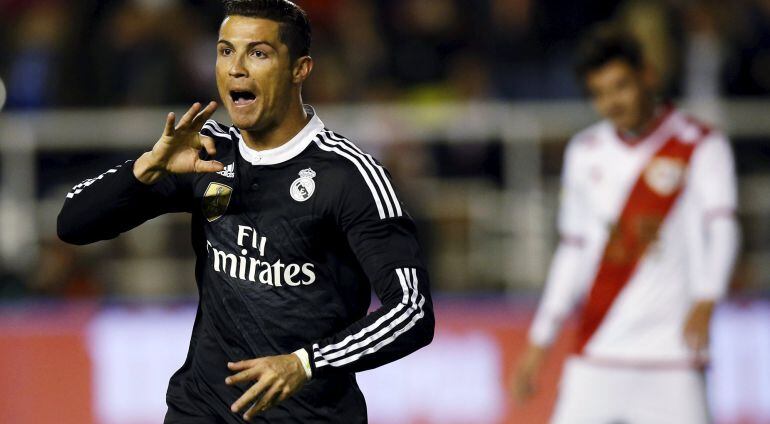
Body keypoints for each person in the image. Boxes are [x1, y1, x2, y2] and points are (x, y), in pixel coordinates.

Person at [57, 1, 434, 422]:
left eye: (258, 53)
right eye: (224, 51)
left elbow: (412, 311)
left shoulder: (349, 177)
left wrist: (305, 363)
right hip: (200, 408)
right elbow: (72, 224)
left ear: (300, 69)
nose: (236, 68)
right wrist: (146, 168)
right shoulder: (206, 152)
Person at [511, 26, 739, 423]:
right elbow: (573, 249)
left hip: (673, 355)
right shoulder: (584, 152)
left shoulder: (700, 144)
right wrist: (540, 340)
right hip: (599, 351)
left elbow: (722, 226)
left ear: (647, 75)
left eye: (620, 87)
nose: (612, 102)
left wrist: (708, 296)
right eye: (599, 94)